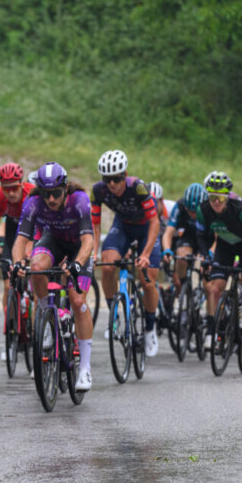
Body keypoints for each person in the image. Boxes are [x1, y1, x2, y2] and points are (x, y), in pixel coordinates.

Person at [12, 162, 95, 391]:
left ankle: (85, 369)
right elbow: (21, 239)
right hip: (54, 241)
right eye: (47, 194)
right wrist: (18, 262)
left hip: (79, 245)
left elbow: (88, 240)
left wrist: (77, 264)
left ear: (65, 188)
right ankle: (47, 316)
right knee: (36, 268)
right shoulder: (33, 202)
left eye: (56, 194)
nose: (51, 200)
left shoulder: (79, 200)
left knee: (78, 302)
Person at [91, 149, 162, 357]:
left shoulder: (138, 187)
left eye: (116, 179)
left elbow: (154, 221)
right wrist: (93, 252)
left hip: (145, 228)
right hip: (122, 226)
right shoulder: (98, 191)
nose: (112, 184)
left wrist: (146, 253)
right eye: (107, 179)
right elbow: (95, 226)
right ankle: (114, 316)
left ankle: (150, 329)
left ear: (125, 174)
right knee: (107, 265)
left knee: (147, 280)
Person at [195, 171, 242, 349]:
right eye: (212, 197)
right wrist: (206, 256)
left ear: (227, 196)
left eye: (220, 197)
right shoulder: (203, 210)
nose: (216, 202)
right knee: (214, 289)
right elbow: (201, 236)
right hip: (225, 246)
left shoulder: (241, 210)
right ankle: (212, 333)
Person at [0, 162, 36, 352]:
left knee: (32, 272)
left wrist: (28, 253)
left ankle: (34, 324)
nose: (11, 193)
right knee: (8, 285)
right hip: (13, 233)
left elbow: (37, 229)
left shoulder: (31, 194)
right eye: (6, 189)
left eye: (14, 188)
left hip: (33, 231)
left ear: (22, 184)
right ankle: (11, 327)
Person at [162, 183, 207, 290]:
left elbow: (217, 237)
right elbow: (168, 233)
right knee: (181, 257)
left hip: (206, 237)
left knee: (208, 267)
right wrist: (167, 250)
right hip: (190, 235)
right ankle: (184, 286)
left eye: (195, 212)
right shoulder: (180, 206)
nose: (192, 215)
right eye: (189, 211)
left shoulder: (210, 207)